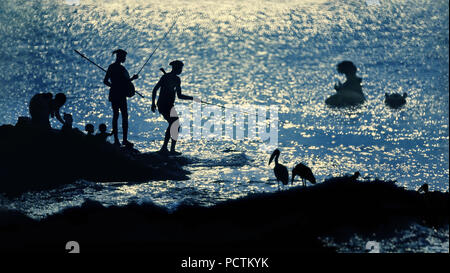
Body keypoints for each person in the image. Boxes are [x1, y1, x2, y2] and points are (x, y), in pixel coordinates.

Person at [151, 60, 199, 155]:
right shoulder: (165, 77)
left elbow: (179, 96)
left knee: (174, 124)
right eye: (180, 68)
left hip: (170, 105)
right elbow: (155, 89)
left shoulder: (177, 80)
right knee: (174, 123)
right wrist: (153, 103)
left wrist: (193, 98)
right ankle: (166, 148)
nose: (181, 70)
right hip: (162, 104)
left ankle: (169, 149)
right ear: (175, 68)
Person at [103, 49, 139, 147]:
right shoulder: (121, 69)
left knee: (116, 116)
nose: (125, 59)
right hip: (120, 95)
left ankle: (118, 140)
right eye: (124, 57)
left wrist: (113, 86)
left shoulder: (111, 67)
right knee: (123, 116)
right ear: (120, 57)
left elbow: (106, 81)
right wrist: (133, 78)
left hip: (114, 93)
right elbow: (126, 82)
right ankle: (123, 140)